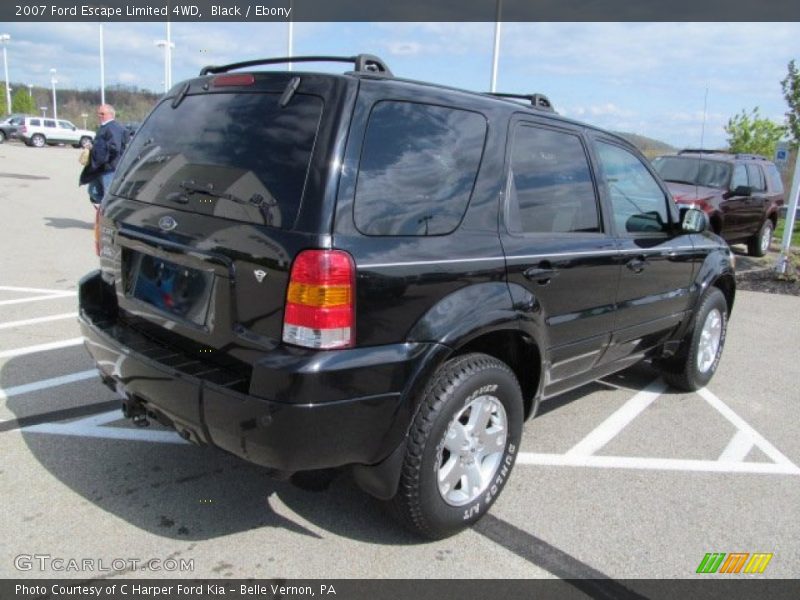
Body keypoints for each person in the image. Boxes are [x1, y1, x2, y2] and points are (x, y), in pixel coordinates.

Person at [79, 104, 126, 208]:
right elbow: (102, 144)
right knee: (93, 191)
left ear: (111, 114)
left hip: (109, 168)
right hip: (100, 167)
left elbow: (114, 148)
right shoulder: (104, 127)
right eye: (98, 114)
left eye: (102, 114)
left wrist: (97, 152)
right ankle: (101, 214)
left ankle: (106, 218)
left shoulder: (113, 127)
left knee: (107, 196)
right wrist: (92, 146)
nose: (99, 116)